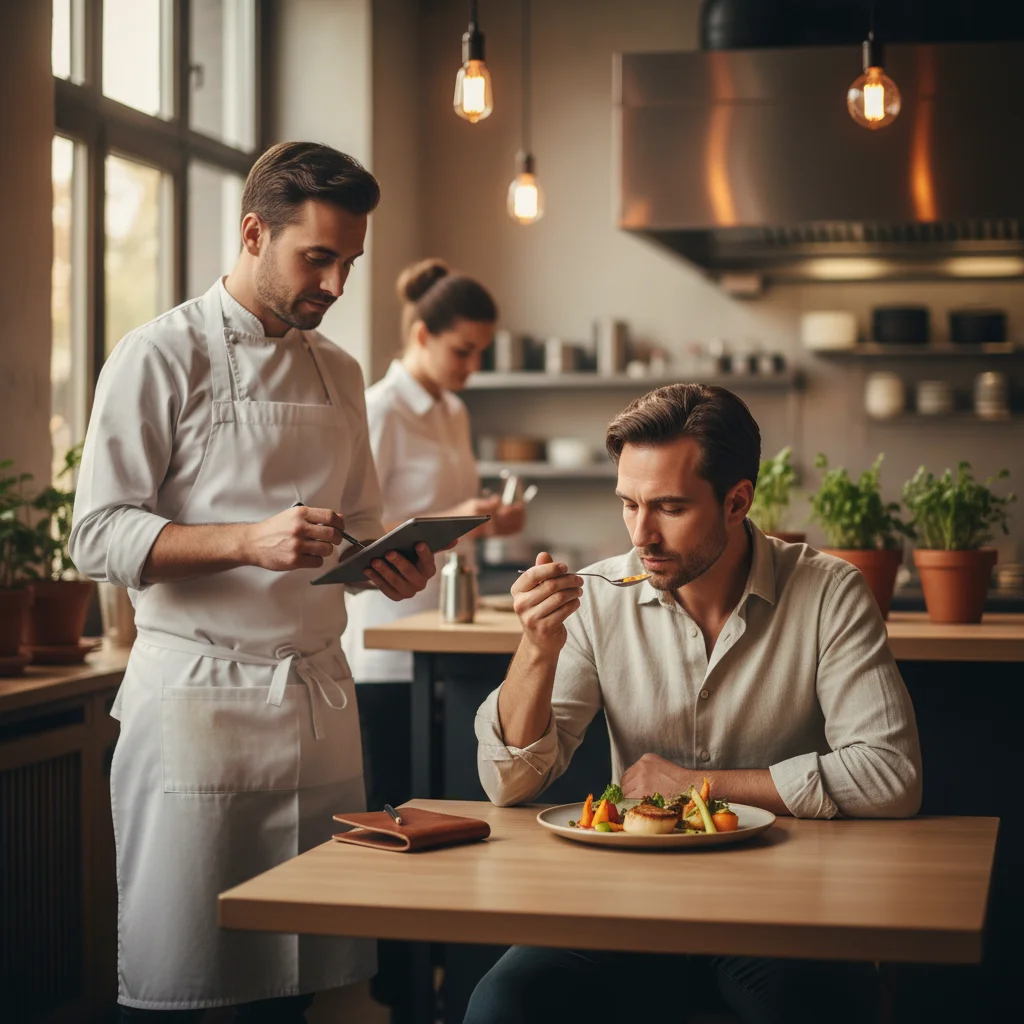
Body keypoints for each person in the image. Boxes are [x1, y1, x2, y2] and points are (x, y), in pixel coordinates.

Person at [70, 142, 439, 1023]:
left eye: (348, 262)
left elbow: (355, 523)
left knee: (309, 984)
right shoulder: (157, 355)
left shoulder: (341, 372)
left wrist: (384, 565)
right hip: (201, 704)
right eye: (318, 257)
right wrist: (248, 540)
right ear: (252, 233)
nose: (337, 284)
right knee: (195, 977)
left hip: (316, 710)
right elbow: (96, 535)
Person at [467, 383, 923, 1024]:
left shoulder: (829, 592)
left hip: (781, 903)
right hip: (623, 900)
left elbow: (891, 776)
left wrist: (696, 787)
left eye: (669, 508)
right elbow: (507, 782)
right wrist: (538, 649)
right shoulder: (598, 596)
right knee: (501, 1003)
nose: (641, 533)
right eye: (628, 504)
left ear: (737, 501)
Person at [345, 258, 525, 811]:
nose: (473, 365)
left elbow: (448, 509)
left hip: (446, 629)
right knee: (393, 801)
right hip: (389, 642)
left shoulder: (454, 412)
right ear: (422, 335)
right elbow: (357, 530)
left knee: (444, 801)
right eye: (462, 351)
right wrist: (456, 514)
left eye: (481, 353)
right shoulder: (380, 411)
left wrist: (489, 518)